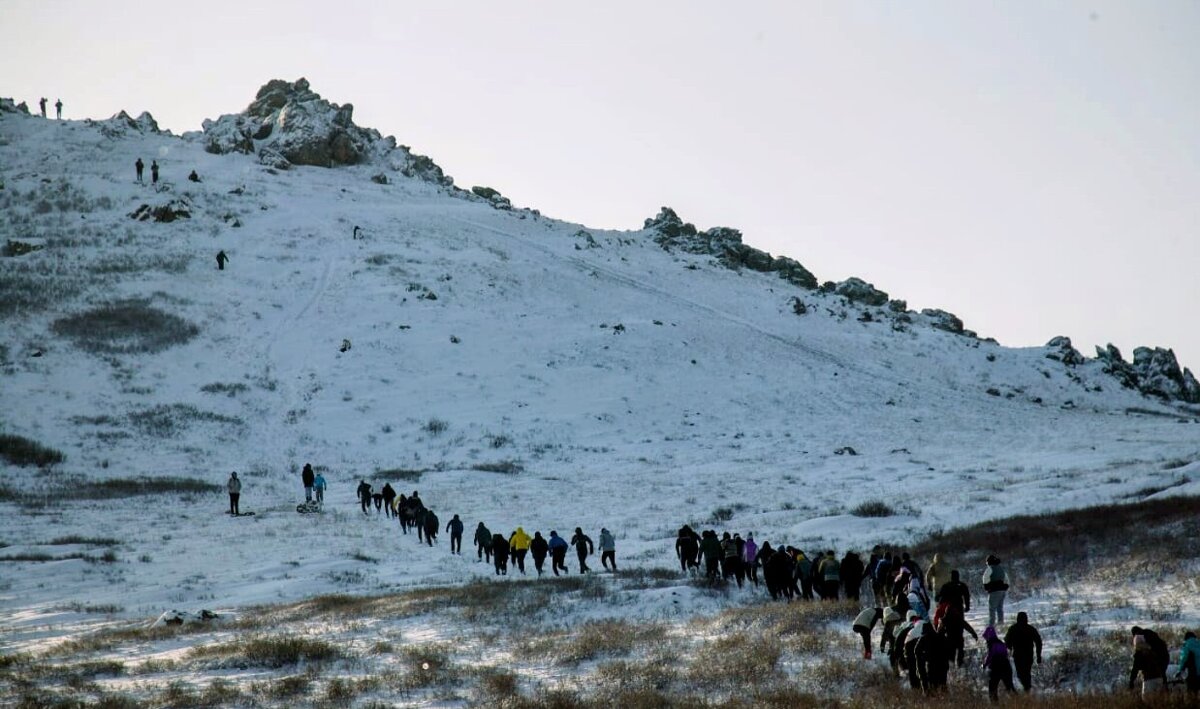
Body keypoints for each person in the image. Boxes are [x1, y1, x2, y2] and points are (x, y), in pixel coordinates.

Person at [1004, 612, 1043, 691]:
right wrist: (1038, 655)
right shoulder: (1030, 629)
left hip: (1018, 655)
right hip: (1028, 655)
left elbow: (1007, 642)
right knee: (1026, 673)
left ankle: (1026, 689)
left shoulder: (1013, 629)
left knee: (1021, 673)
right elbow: (1038, 642)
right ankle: (1027, 689)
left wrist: (1009, 648)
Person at [982, 625, 1016, 701]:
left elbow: (990, 656)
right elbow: (1006, 654)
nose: (986, 639)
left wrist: (985, 664)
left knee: (992, 689)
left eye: (986, 637)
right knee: (1010, 687)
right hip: (1006, 666)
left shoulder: (992, 644)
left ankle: (995, 704)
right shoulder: (1001, 643)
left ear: (989, 636)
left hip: (996, 668)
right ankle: (1019, 701)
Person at [915, 625, 952, 693]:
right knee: (943, 683)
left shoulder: (923, 638)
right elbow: (948, 650)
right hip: (943, 664)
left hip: (931, 665)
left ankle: (935, 696)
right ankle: (945, 696)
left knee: (933, 685)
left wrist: (924, 657)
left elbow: (917, 651)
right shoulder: (940, 636)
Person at [983, 555, 1009, 627]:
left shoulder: (990, 568)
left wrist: (987, 587)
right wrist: (1005, 587)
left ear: (989, 562)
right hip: (1002, 591)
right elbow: (1006, 579)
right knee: (999, 608)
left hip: (994, 591)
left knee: (992, 609)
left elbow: (985, 578)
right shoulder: (1001, 568)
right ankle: (1001, 623)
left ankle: (991, 625)